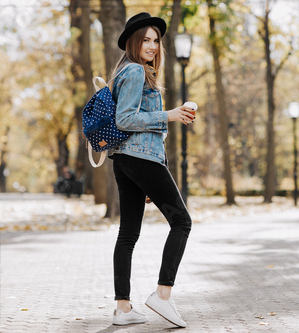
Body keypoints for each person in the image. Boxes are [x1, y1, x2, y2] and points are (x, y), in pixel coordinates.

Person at [108, 12, 195, 328]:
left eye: (156, 40)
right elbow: (125, 119)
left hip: (127, 160)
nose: (152, 45)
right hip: (140, 159)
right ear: (133, 41)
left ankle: (123, 310)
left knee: (128, 234)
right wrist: (169, 114)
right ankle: (162, 294)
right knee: (181, 221)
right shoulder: (133, 72)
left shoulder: (128, 72)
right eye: (145, 39)